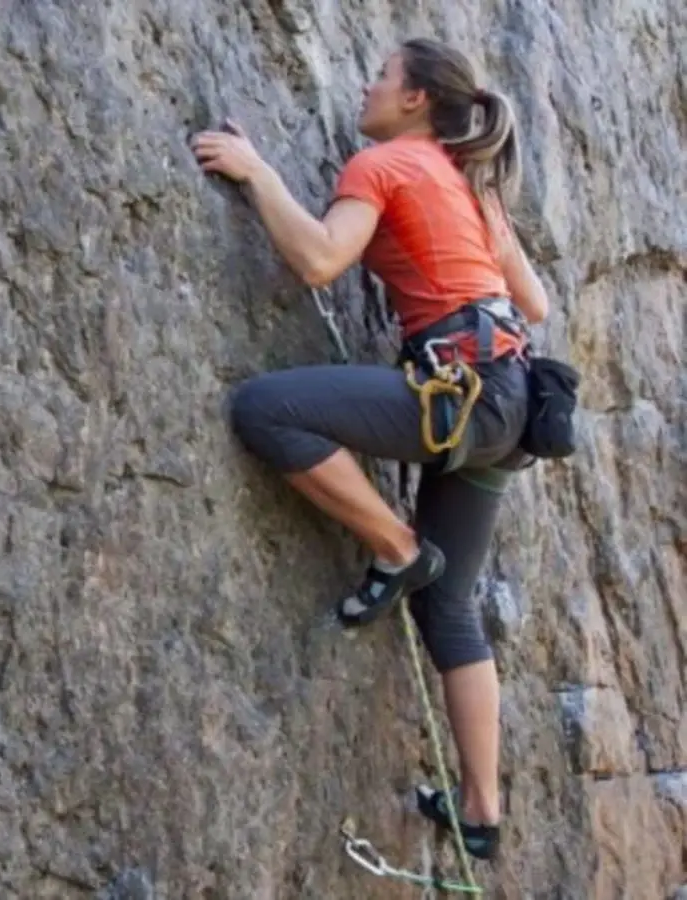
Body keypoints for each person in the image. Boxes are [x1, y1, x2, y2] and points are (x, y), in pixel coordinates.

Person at [190, 38, 551, 861]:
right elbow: (533, 299)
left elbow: (320, 259)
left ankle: (395, 547)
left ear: (416, 100)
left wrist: (256, 173)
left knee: (266, 409)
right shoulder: (468, 184)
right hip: (508, 400)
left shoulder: (385, 164)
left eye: (382, 75)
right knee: (451, 608)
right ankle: (482, 812)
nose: (367, 84)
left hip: (461, 395)